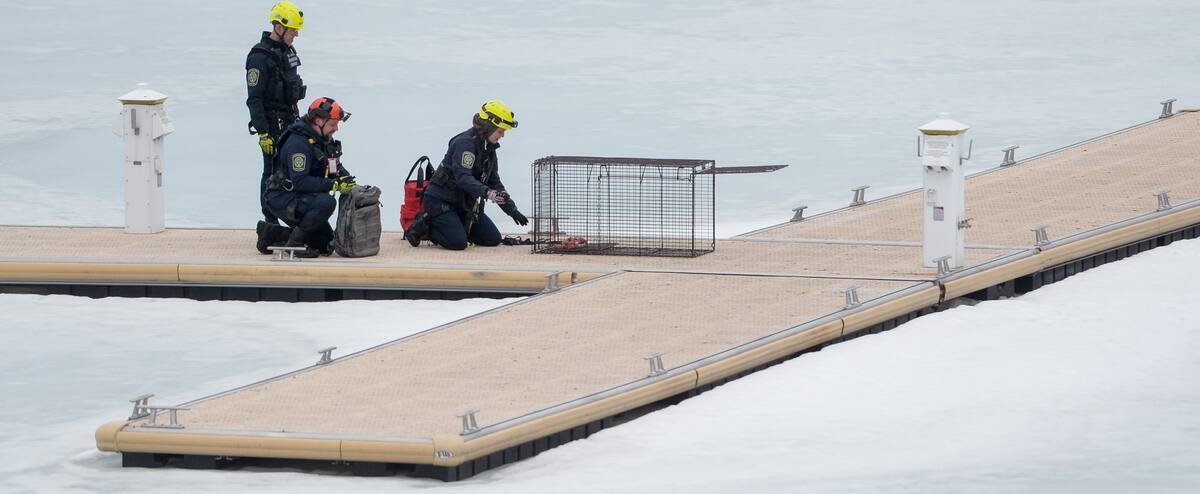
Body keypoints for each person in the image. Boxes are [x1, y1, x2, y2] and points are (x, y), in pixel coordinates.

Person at [405, 100, 529, 250]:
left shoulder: (489, 149)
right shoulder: (465, 144)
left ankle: (455, 227)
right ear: (489, 127)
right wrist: (487, 193)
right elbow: (463, 178)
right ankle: (425, 224)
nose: (502, 135)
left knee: (492, 239)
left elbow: (494, 182)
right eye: (500, 131)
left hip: (463, 204)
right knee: (458, 243)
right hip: (440, 201)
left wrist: (512, 210)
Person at [247, 1, 307, 253]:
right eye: (293, 29)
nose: (296, 34)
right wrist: (263, 132)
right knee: (271, 171)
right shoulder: (260, 58)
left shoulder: (287, 53)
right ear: (278, 26)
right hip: (272, 123)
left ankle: (288, 217)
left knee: (291, 171)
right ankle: (269, 219)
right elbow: (254, 99)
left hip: (291, 120)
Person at [264, 97, 356, 258]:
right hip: (283, 197)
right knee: (327, 202)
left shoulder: (322, 139)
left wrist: (347, 180)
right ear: (318, 121)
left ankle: (272, 234)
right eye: (333, 125)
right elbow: (300, 182)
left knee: (325, 245)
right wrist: (333, 184)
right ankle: (295, 244)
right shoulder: (297, 144)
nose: (336, 129)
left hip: (303, 197)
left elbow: (334, 166)